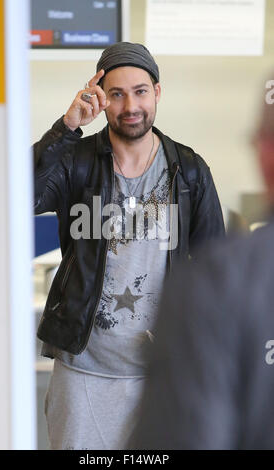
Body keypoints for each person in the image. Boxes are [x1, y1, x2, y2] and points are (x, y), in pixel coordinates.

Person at [33, 42, 225, 450]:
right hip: (83, 370)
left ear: (157, 92)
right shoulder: (76, 161)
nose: (130, 105)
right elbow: (21, 196)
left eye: (140, 91)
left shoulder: (189, 170)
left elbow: (216, 268)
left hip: (163, 372)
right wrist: (65, 129)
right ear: (100, 100)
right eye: (116, 94)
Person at [127, 77, 274, 450]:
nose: (129, 105)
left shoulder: (216, 283)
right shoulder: (218, 280)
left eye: (140, 90)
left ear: (264, 153)